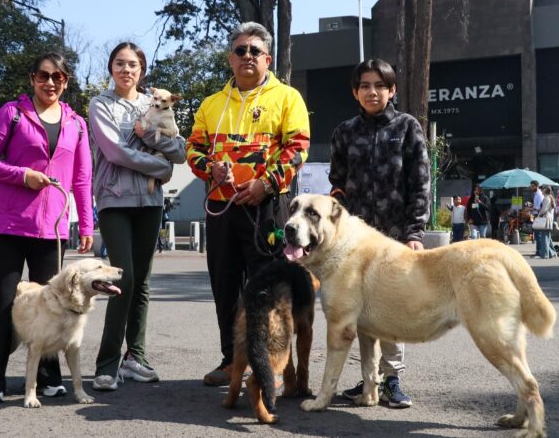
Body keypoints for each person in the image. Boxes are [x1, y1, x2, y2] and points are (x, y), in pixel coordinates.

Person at [186, 22, 310, 388]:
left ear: (267, 58)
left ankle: (271, 364)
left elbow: (298, 147)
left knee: (267, 289)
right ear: (230, 58)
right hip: (223, 209)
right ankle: (232, 360)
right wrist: (211, 167)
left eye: (255, 51)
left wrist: (266, 183)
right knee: (224, 287)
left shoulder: (287, 97)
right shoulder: (211, 104)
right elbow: (193, 149)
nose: (247, 57)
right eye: (240, 50)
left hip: (267, 208)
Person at [0, 52, 94, 404]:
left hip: (52, 228)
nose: (50, 82)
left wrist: (85, 222)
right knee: (1, 303)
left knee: (54, 304)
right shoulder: (11, 114)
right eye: (44, 75)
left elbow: (82, 178)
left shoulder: (77, 124)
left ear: (66, 81)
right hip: (8, 223)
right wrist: (21, 175)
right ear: (32, 79)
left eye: (58, 77)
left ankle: (47, 377)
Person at [329, 58, 431, 409]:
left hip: (395, 237)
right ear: (355, 92)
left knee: (391, 309)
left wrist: (414, 232)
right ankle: (369, 379)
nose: (372, 92)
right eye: (365, 86)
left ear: (392, 90)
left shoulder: (407, 127)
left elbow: (420, 184)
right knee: (362, 312)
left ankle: (392, 379)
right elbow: (337, 186)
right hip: (354, 243)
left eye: (379, 86)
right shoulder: (344, 132)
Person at [90, 42, 186, 391]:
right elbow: (115, 151)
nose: (126, 70)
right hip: (114, 199)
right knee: (124, 276)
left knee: (142, 280)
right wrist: (160, 165)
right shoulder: (100, 104)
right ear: (111, 68)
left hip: (149, 202)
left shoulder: (155, 101)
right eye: (119, 63)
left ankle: (137, 357)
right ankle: (107, 363)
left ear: (141, 70)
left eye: (133, 64)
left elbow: (180, 149)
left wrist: (158, 146)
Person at [533, 186, 558, 259]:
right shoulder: (551, 198)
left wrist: (538, 215)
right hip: (549, 218)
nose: (541, 191)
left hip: (545, 218)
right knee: (548, 237)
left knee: (545, 237)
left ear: (545, 190)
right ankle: (552, 253)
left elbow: (544, 209)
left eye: (542, 189)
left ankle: (545, 254)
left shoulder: (547, 198)